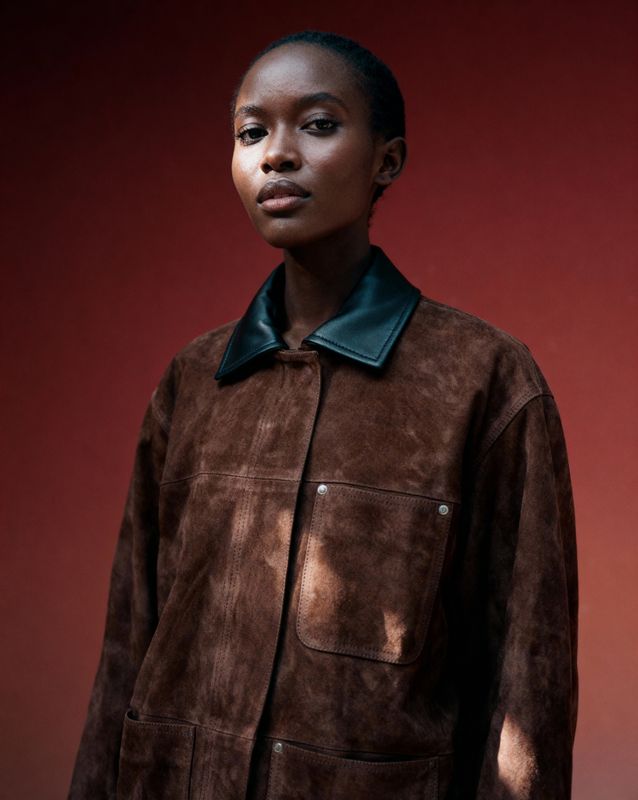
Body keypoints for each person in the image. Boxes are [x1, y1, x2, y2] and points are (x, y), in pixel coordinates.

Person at [68, 29, 578, 800]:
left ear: (388, 160)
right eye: (251, 132)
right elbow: (126, 649)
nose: (277, 154)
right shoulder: (194, 382)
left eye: (317, 123)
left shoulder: (484, 379)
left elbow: (526, 681)